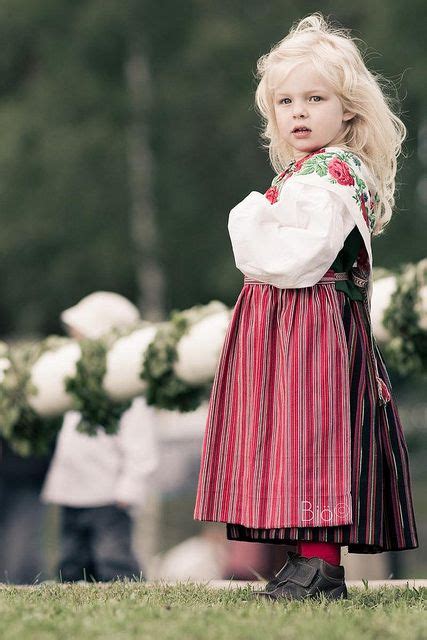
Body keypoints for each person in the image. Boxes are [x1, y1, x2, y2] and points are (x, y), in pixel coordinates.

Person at [193, 13, 419, 601]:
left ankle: (320, 564)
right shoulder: (306, 172)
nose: (298, 112)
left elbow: (291, 258)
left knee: (315, 435)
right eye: (285, 100)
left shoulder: (332, 175)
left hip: (311, 326)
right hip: (291, 326)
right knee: (290, 438)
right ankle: (301, 559)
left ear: (347, 109)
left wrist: (248, 217)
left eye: (314, 98)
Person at [40, 291, 160, 582]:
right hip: (72, 492)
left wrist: (129, 489)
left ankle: (126, 596)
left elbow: (141, 447)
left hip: (108, 496)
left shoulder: (126, 391)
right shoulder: (72, 383)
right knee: (71, 561)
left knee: (113, 559)